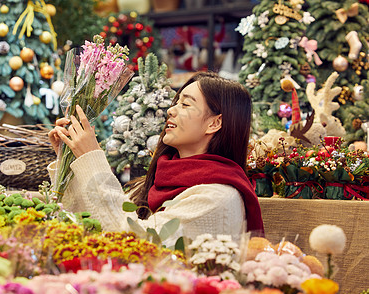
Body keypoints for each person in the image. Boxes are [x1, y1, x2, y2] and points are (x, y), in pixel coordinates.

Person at [48, 71, 264, 245]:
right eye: (176, 102)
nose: (171, 110)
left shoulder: (218, 197)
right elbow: (91, 220)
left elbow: (135, 243)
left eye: (185, 104)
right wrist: (68, 162)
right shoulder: (153, 182)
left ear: (214, 124)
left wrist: (91, 159)